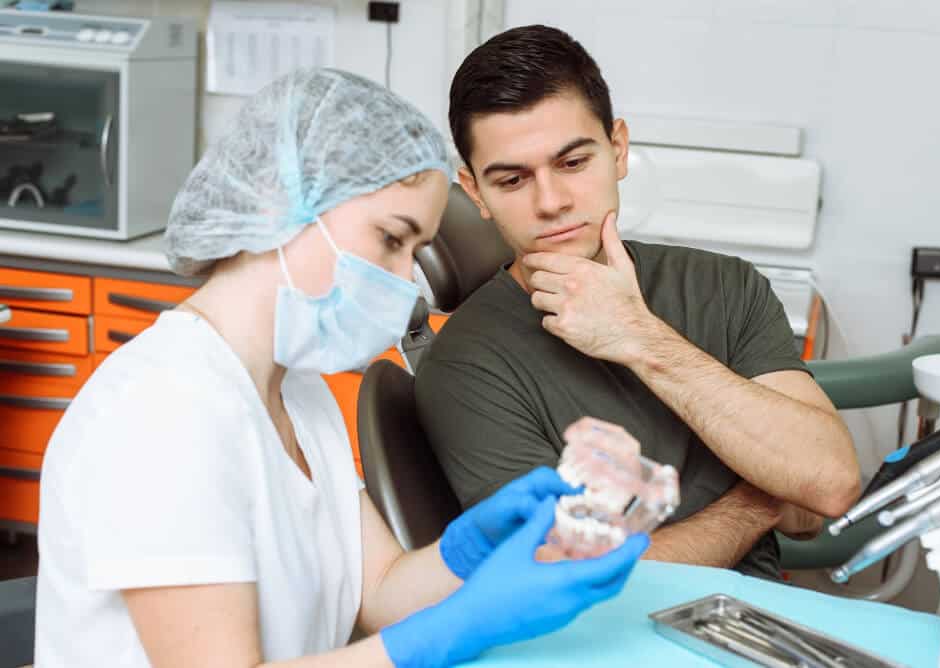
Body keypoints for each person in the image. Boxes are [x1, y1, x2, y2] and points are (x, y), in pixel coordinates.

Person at [33, 68, 649, 667]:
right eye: (391, 238)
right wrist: (452, 630)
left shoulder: (294, 391)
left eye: (416, 250)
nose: (408, 279)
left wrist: (473, 548)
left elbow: (379, 590)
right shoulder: (162, 412)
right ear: (282, 203)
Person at [415, 25, 862, 581]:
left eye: (573, 163)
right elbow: (565, 579)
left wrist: (638, 336)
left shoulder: (724, 287)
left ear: (618, 149)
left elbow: (830, 484)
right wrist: (758, 502)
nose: (551, 202)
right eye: (512, 180)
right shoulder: (464, 365)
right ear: (476, 192)